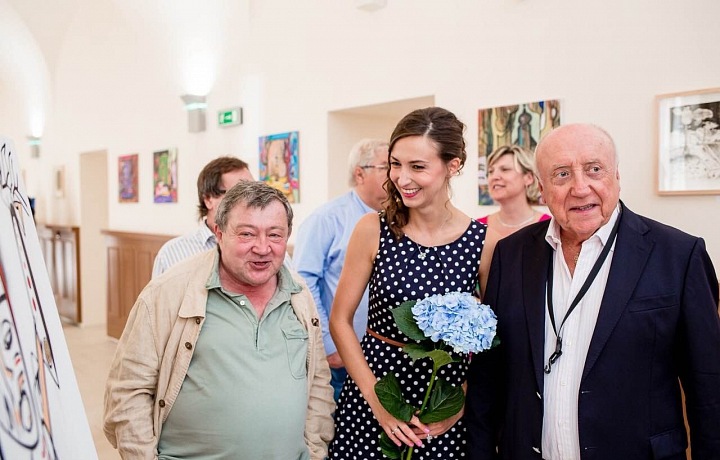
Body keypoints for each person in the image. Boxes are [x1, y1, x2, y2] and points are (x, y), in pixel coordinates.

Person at [466, 123, 720, 459]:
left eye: (594, 169)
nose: (580, 187)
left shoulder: (679, 255)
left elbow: (709, 388)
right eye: (561, 174)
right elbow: (487, 378)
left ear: (617, 176)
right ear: (541, 188)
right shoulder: (510, 254)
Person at [104, 181, 335, 459]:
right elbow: (128, 392)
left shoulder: (299, 294)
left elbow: (318, 382)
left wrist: (314, 450)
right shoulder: (168, 293)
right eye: (247, 234)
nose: (263, 248)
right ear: (219, 234)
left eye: (275, 235)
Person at [328, 107, 489, 459]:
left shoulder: (483, 242)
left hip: (440, 410)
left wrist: (459, 403)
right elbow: (340, 320)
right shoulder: (373, 229)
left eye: (417, 167)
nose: (402, 178)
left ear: (453, 165)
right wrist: (378, 402)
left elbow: (492, 342)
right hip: (373, 397)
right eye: (395, 164)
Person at [293, 138, 389, 401]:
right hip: (343, 356)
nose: (395, 175)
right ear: (360, 173)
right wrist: (329, 344)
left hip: (388, 355)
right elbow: (303, 282)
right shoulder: (327, 219)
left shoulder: (400, 219)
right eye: (386, 167)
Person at [151, 156, 253, 277]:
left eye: (254, 191)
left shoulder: (266, 248)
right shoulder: (171, 255)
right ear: (209, 199)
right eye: (240, 193)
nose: (252, 200)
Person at [478, 145, 551, 293]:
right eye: (490, 171)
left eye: (505, 169)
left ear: (528, 178)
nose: (494, 176)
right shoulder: (478, 227)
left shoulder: (549, 227)